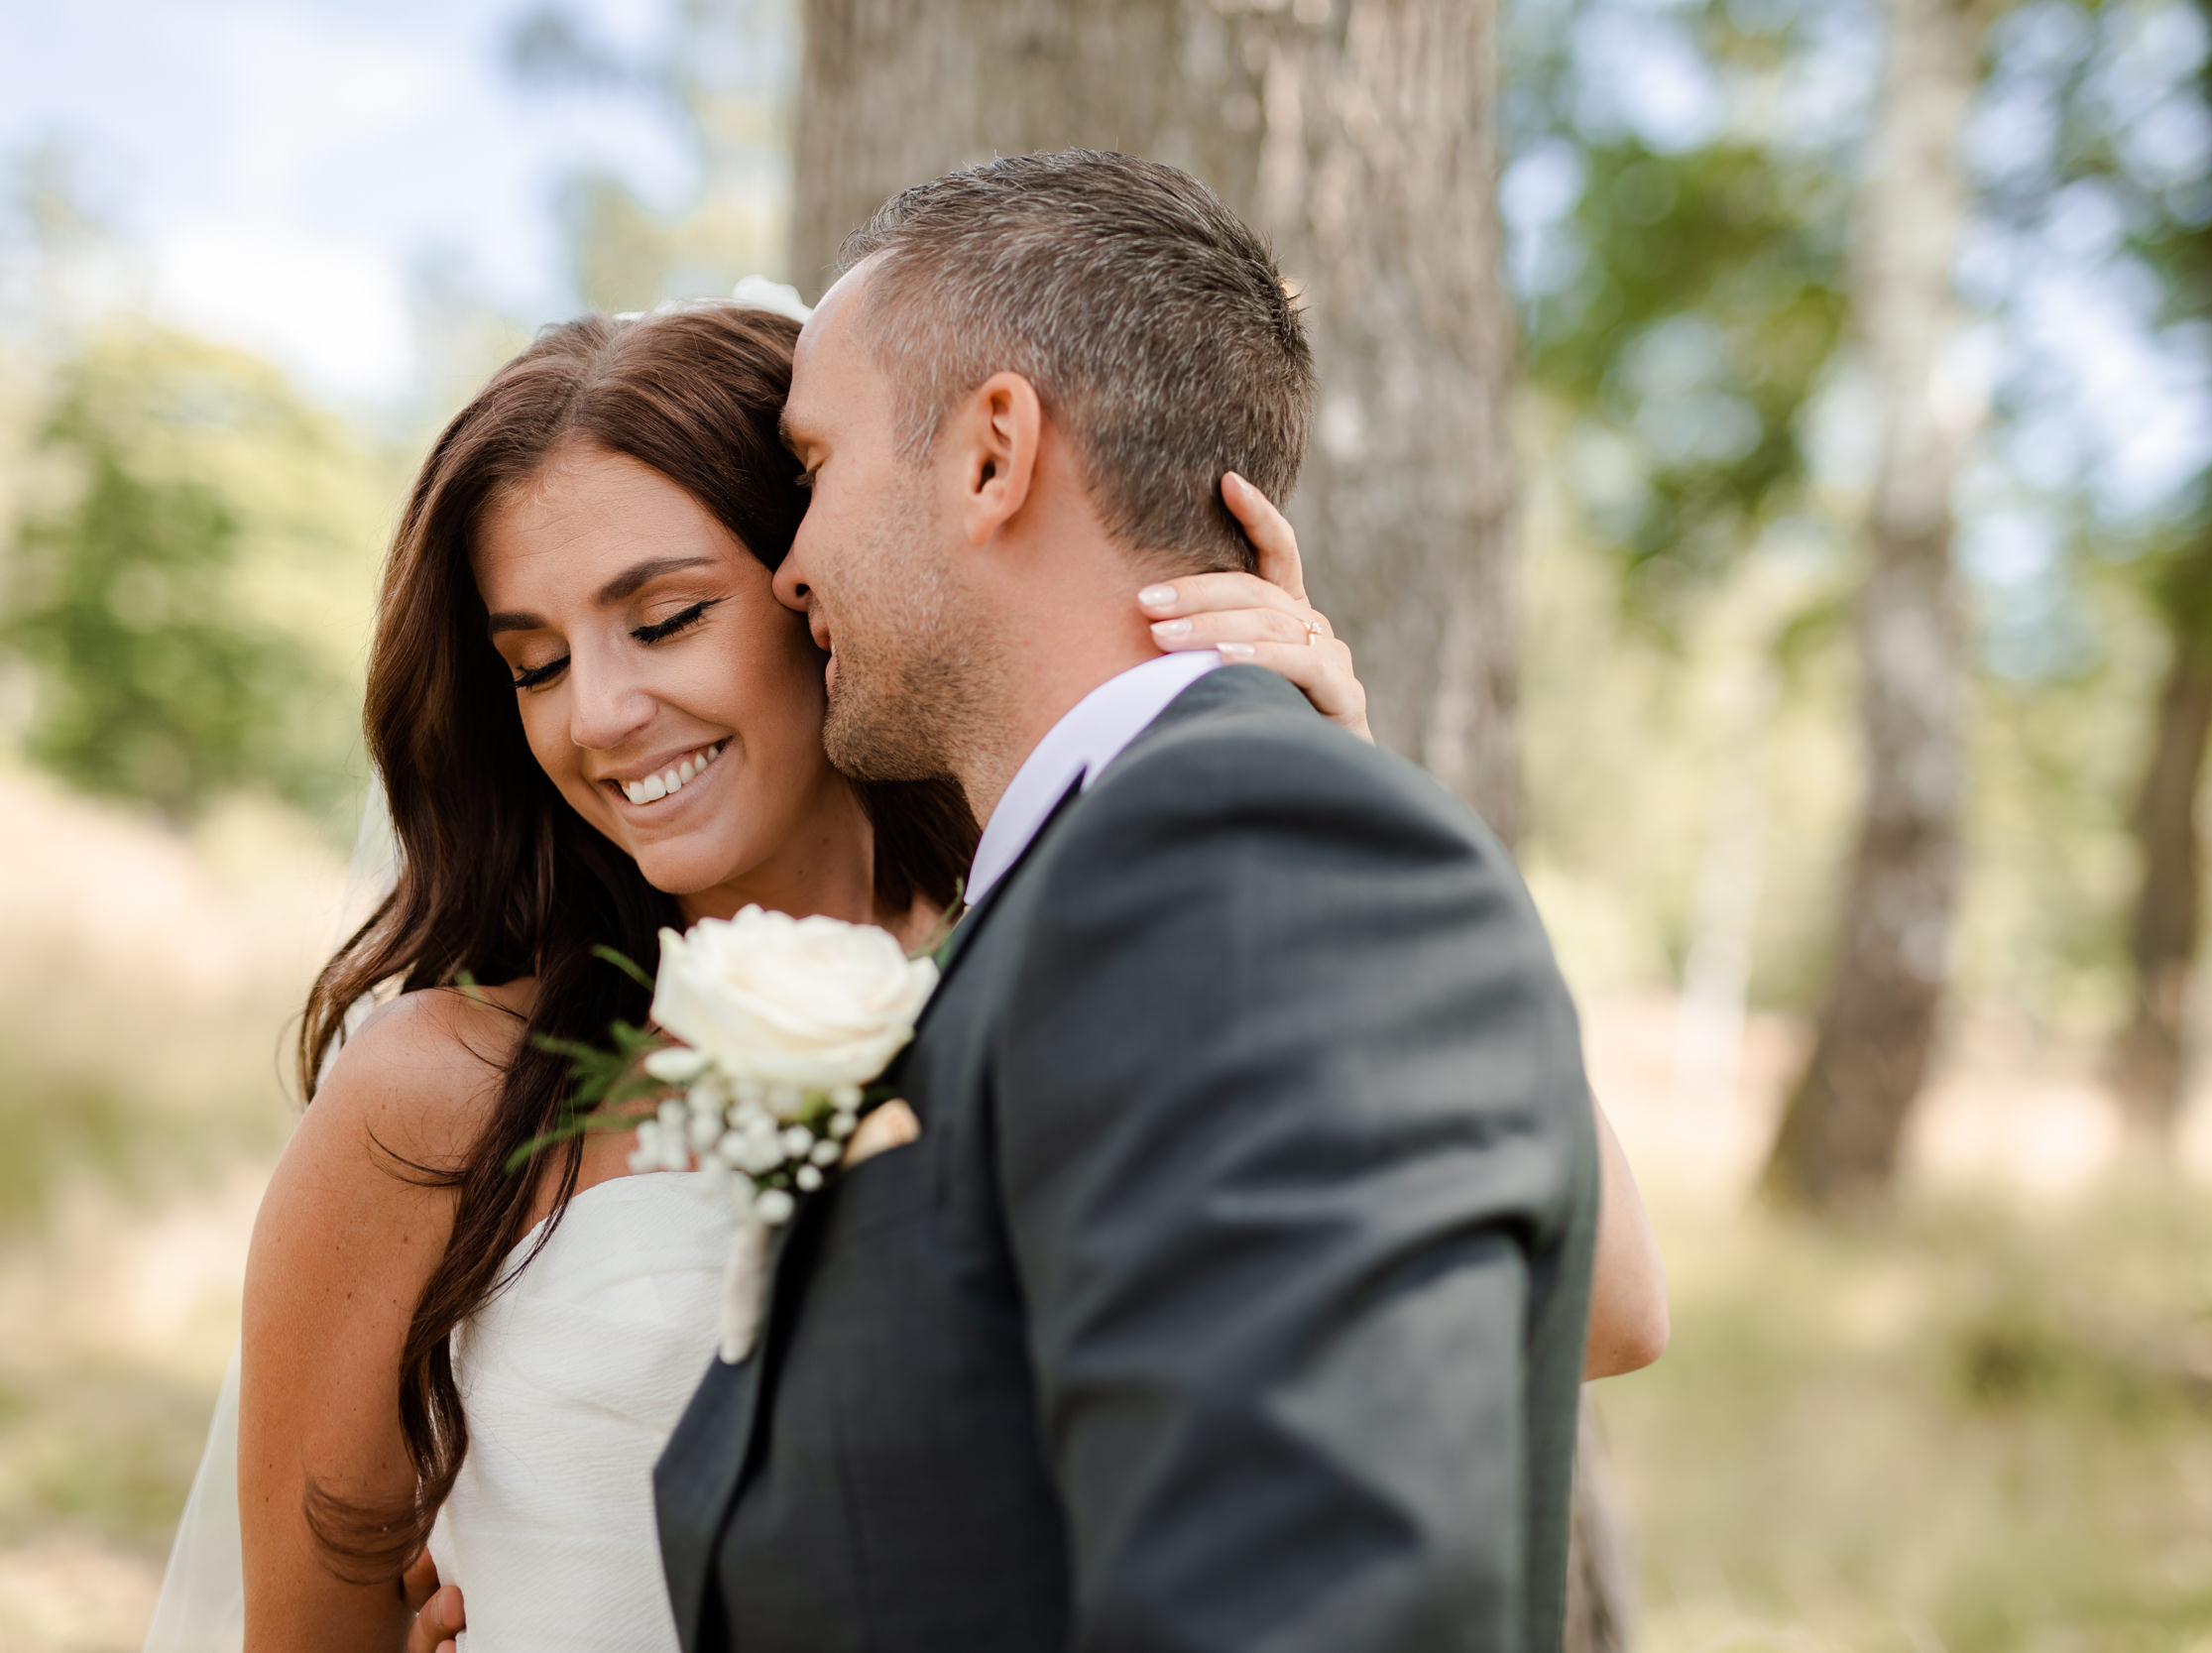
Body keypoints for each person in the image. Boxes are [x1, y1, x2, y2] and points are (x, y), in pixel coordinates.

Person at [153, 297, 1661, 1652]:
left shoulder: (1061, 974)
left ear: (818, 583)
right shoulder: (434, 1095)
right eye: (535, 662)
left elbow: (1603, 1306)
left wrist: (1339, 778)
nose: (600, 713)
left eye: (666, 617)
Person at [653, 152, 1637, 1653]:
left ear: (993, 455)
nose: (789, 564)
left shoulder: (1241, 860)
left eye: (814, 467)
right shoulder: (1108, 880)